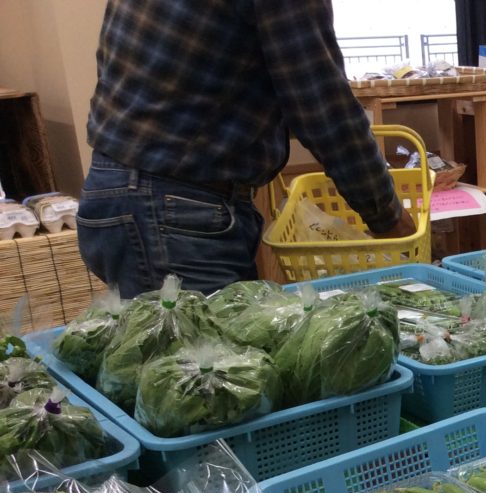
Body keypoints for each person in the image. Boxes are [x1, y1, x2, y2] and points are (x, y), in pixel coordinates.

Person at [78, 0, 416, 299]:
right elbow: (323, 106)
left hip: (119, 187)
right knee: (211, 367)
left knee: (170, 359)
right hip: (172, 213)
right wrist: (389, 218)